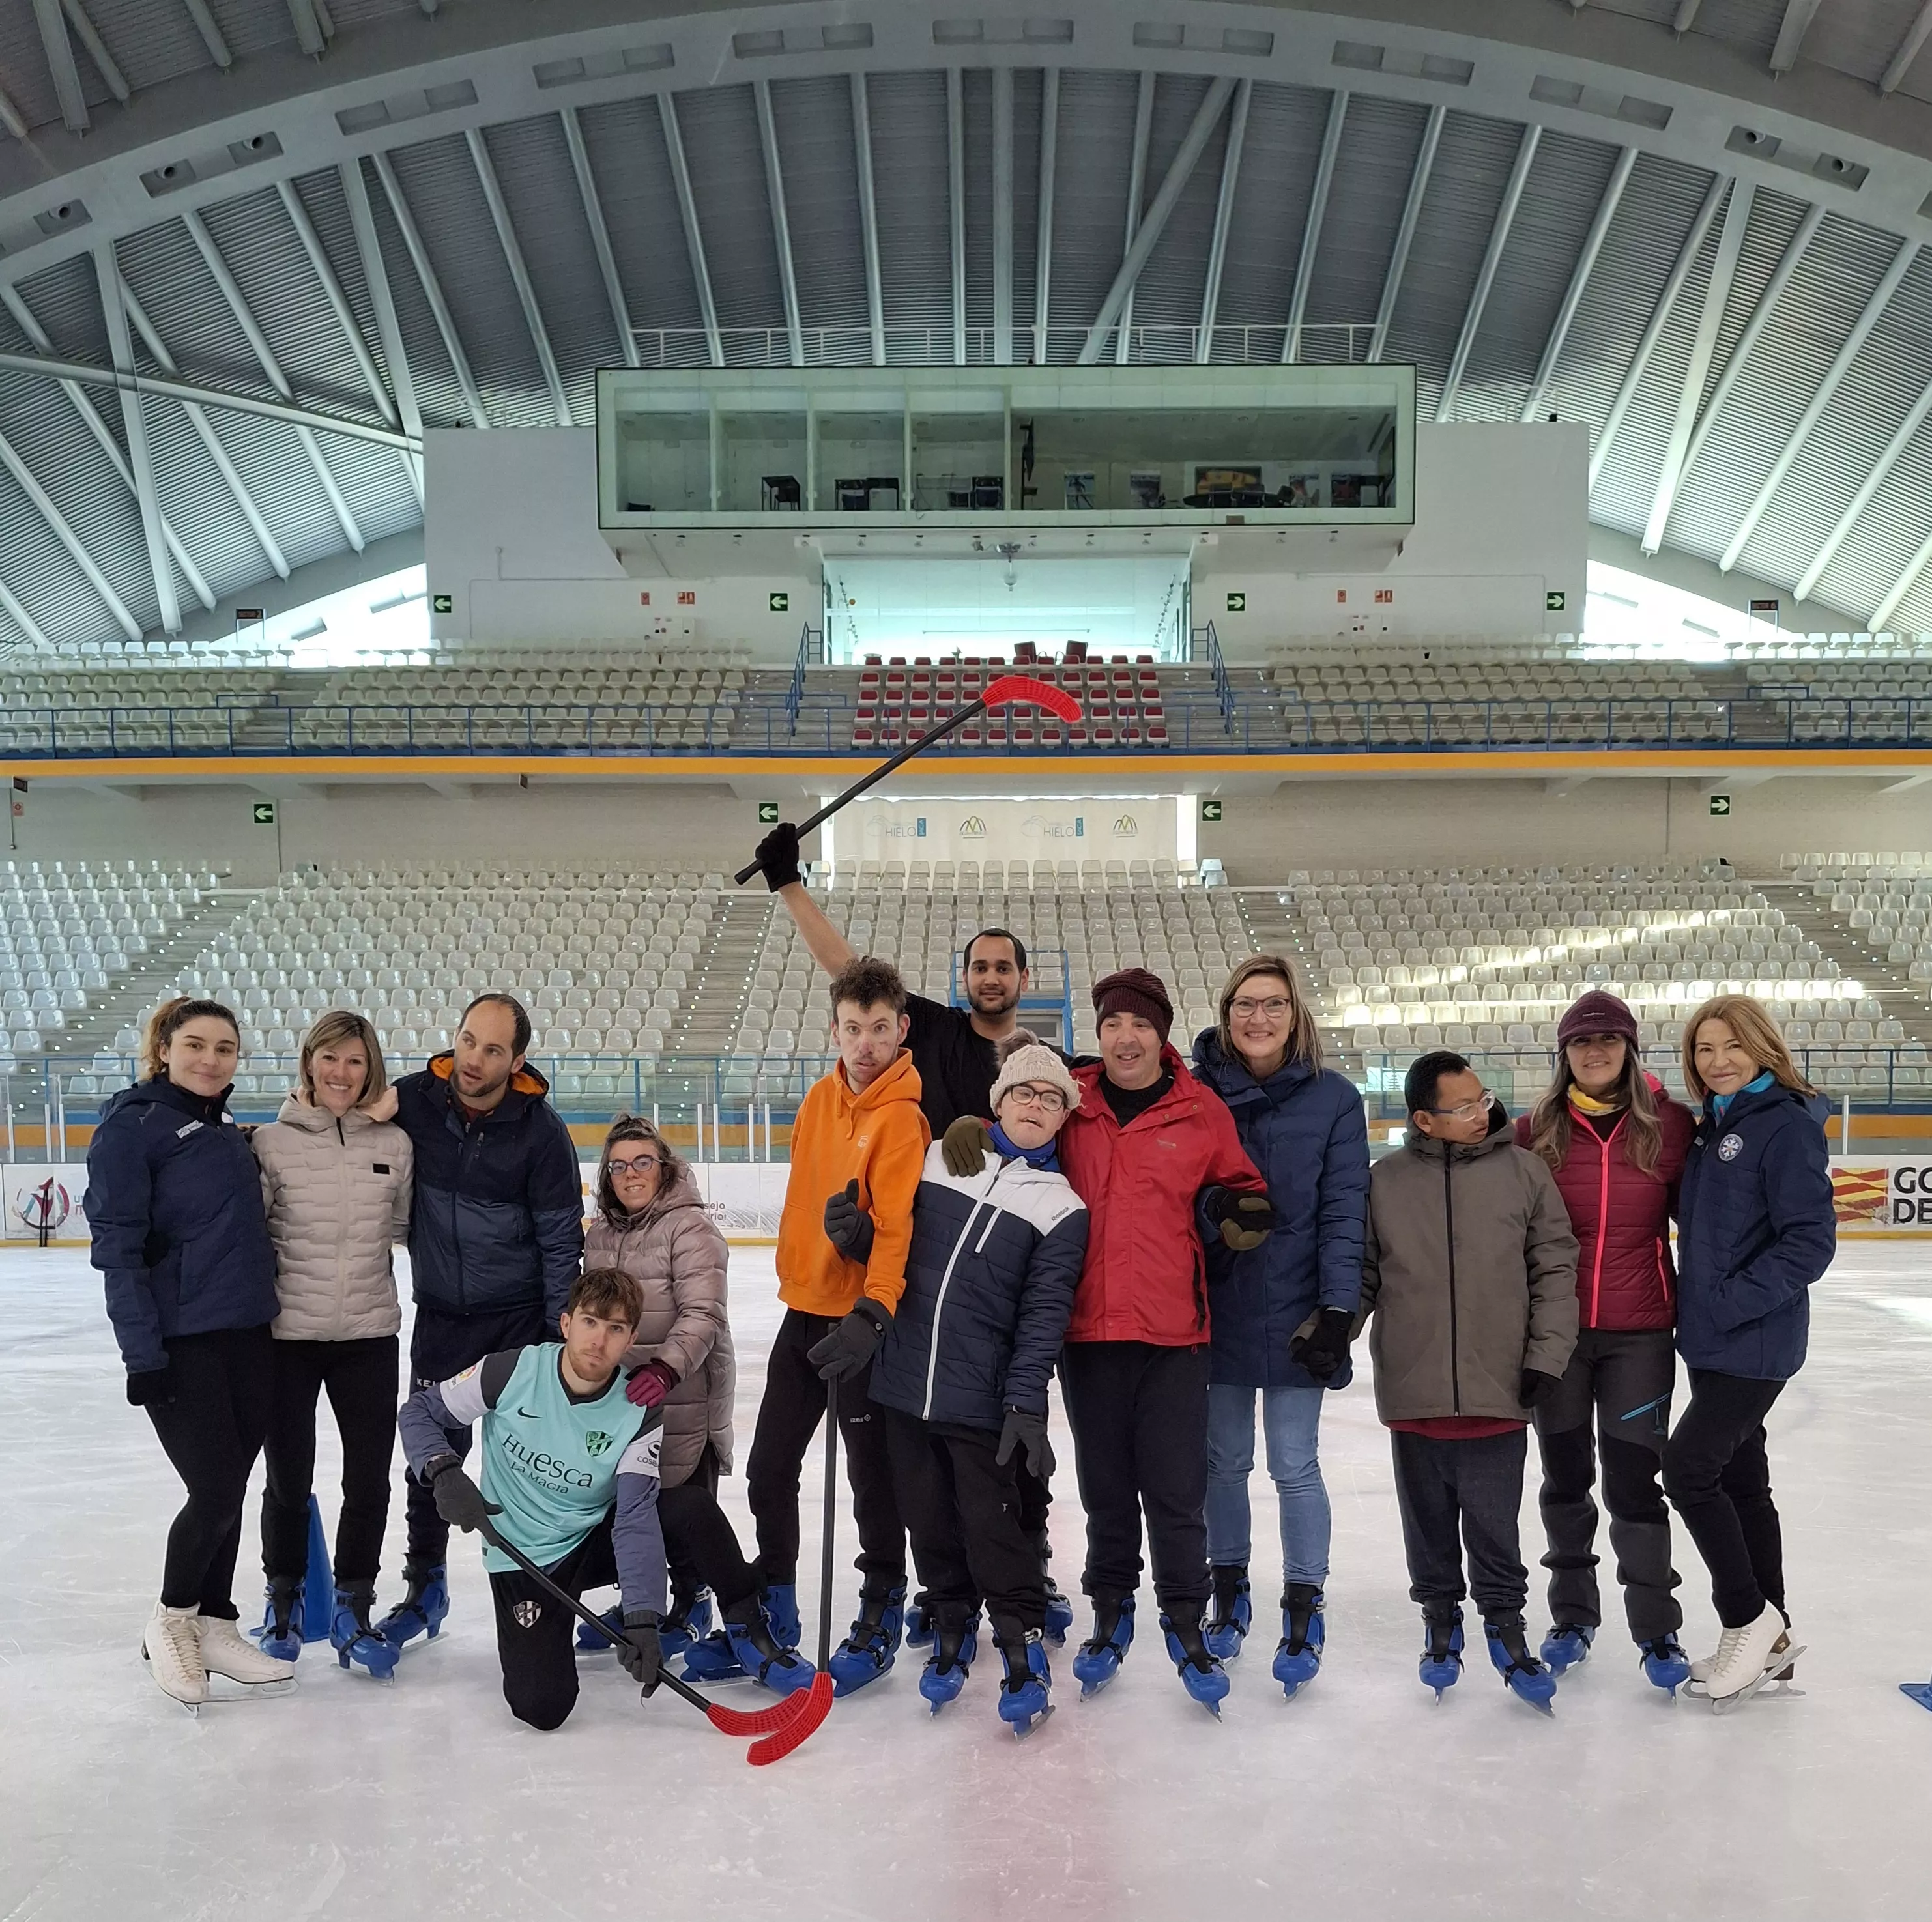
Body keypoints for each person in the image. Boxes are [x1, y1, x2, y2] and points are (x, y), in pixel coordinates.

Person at [751, 818, 1074, 1638]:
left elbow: (1066, 1131)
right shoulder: (931, 1030)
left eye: (1003, 966)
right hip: (914, 1274)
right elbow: (851, 978)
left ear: (1025, 978)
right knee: (927, 1454)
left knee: (1001, 1442)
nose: (990, 976)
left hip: (991, 1281)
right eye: (979, 965)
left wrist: (985, 1128)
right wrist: (790, 885)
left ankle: (1025, 1571)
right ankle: (943, 1589)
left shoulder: (1040, 1065)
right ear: (963, 979)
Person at [986, 966, 1273, 1714]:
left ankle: (1185, 1620)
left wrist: (1235, 1211)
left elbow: (1242, 1186)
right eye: (1113, 1022)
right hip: (1087, 1332)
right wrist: (964, 1137)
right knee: (1106, 1490)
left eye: (1140, 1023)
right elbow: (1012, 1138)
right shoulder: (1073, 1103)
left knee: (1177, 1492)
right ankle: (1111, 1614)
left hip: (1175, 1332)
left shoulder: (1200, 1109)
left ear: (1161, 1033)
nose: (1125, 1037)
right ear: (1099, 1031)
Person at [872, 1039, 1088, 1735]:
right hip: (903, 1381)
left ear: (1063, 1117)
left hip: (980, 1395)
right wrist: (852, 1239)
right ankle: (950, 1617)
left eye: (1051, 1098)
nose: (1036, 1105)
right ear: (998, 1101)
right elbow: (889, 1242)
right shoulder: (939, 1157)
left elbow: (1043, 1315)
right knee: (926, 1517)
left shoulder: (1062, 1207)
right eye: (1024, 1092)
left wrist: (1024, 1400)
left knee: (992, 1525)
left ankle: (1021, 1638)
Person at [85, 996, 295, 1708]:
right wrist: (142, 1354)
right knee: (213, 1490)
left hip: (249, 1334)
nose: (210, 1059)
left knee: (231, 1486)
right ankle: (172, 1619)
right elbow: (117, 1250)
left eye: (225, 1048)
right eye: (196, 1045)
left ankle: (215, 1621)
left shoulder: (223, 1129)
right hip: (181, 1340)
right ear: (164, 1050)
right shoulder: (131, 1127)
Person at [1357, 1051, 1578, 1712]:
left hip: (1499, 1384)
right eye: (1462, 1107)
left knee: (1493, 1522)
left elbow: (1554, 1269)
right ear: (1423, 1119)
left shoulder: (1525, 1172)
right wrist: (1327, 1335)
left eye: (1482, 1100)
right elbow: (1362, 1274)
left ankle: (1506, 1626)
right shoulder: (1385, 1182)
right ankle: (1439, 1621)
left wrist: (1546, 1355)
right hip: (1414, 1385)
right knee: (1426, 1524)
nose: (1481, 1114)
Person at [379, 993, 586, 1649]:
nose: (474, 1059)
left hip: (516, 1324)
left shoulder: (541, 1133)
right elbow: (344, 1112)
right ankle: (425, 1586)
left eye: (493, 1049)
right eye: (468, 1040)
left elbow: (561, 1241)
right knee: (430, 1460)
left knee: (527, 1469)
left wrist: (555, 1341)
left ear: (517, 1060)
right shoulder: (414, 1099)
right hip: (442, 1319)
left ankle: (544, 1586)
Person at [747, 954, 929, 1695]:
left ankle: (882, 1602)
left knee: (869, 1478)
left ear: (902, 1028)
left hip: (860, 1327)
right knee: (768, 1468)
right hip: (803, 1313)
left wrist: (875, 1311)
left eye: (879, 1028)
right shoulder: (818, 1100)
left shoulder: (903, 1118)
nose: (865, 1043)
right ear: (834, 1030)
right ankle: (775, 1599)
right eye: (853, 1028)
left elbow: (897, 1231)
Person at [581, 1115, 812, 1695]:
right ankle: (652, 1599)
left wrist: (665, 1367)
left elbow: (702, 1313)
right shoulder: (600, 1234)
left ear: (663, 1168)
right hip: (620, 1399)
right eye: (618, 1166)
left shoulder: (690, 1228)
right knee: (635, 1503)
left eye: (642, 1162)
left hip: (684, 1389)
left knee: (685, 1499)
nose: (631, 1174)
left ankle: (693, 1599)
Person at [1190, 955, 1368, 1698]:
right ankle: (1228, 1591)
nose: (1257, 1018)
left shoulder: (1334, 1099)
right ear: (1226, 1013)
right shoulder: (1197, 1092)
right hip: (1218, 1308)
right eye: (1244, 1004)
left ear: (1295, 1016)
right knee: (1222, 1461)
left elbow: (1345, 1211)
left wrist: (1337, 1310)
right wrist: (1214, 1215)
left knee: (1294, 1463)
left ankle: (1303, 1600)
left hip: (1300, 1310)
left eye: (1272, 1004)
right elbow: (1176, 1193)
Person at [396, 1267, 668, 1730]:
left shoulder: (638, 1406)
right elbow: (420, 1411)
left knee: (690, 1514)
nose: (599, 1340)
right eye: (589, 1322)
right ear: (566, 1324)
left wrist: (643, 1616)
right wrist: (443, 1471)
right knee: (541, 1706)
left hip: (589, 1540)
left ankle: (748, 1625)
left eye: (615, 1328)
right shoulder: (511, 1370)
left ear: (631, 1339)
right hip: (519, 1553)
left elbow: (635, 1516)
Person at [1517, 990, 1696, 1694]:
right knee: (1565, 1482)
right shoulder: (1535, 1129)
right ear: (1563, 1054)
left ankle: (1656, 1628)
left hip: (1639, 1336)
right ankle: (1571, 1617)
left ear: (1629, 1048)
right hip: (1557, 1336)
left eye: (1608, 1039)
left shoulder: (1670, 1126)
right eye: (1581, 1041)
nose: (1595, 1051)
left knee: (1633, 1486)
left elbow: (1708, 1219)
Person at [1662, 994, 1833, 1708]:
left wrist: (1729, 1302)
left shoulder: (1783, 1127)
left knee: (1687, 1469)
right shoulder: (1714, 1127)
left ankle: (1746, 1616)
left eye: (1732, 1045)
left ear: (1762, 1048)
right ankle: (1776, 1638)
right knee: (1740, 1480)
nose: (1717, 1060)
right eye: (1704, 1049)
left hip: (1754, 1338)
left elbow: (1809, 1242)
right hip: (1712, 1340)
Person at [251, 1011, 414, 1680]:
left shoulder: (395, 1144)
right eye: (329, 1058)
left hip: (369, 1335)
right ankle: (284, 1600)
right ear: (309, 1063)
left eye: (354, 1060)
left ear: (370, 1067)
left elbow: (400, 1226)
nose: (341, 1072)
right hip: (288, 1337)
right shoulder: (270, 1142)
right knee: (288, 1479)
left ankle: (353, 1604)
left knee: (368, 1479)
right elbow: (252, 1234)